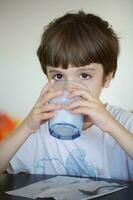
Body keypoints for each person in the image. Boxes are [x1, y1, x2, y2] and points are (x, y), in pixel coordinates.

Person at [0, 10, 133, 181]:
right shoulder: (38, 130)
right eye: (58, 76)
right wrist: (26, 127)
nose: (69, 89)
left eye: (84, 75)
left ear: (106, 78)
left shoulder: (123, 122)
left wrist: (112, 126)